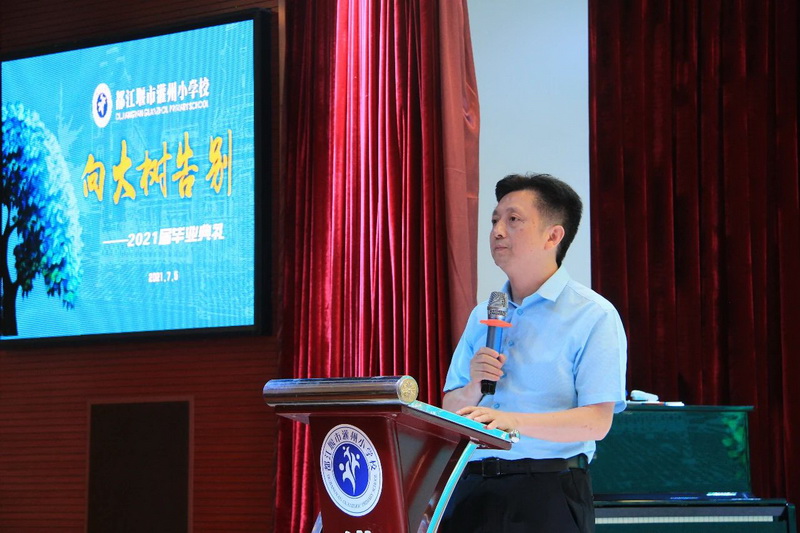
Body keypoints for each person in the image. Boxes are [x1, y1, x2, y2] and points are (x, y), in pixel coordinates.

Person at [440, 173, 627, 533]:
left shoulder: (593, 315)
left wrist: (514, 422)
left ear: (553, 236)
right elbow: (450, 409)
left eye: (513, 220)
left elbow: (597, 422)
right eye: (495, 220)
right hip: (470, 487)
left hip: (547, 491)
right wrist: (475, 386)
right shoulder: (483, 314)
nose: (497, 231)